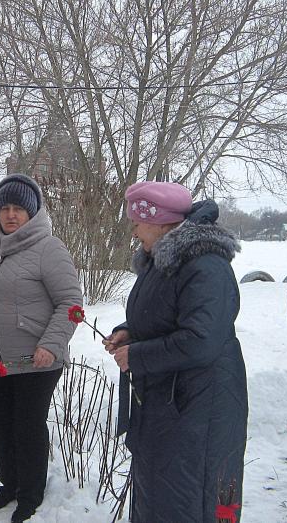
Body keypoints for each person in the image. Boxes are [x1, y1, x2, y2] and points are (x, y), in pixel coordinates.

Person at [104, 182, 247, 523]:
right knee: (160, 489)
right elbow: (162, 314)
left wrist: (138, 356)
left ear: (162, 222)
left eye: (138, 222)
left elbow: (201, 339)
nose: (134, 229)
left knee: (190, 494)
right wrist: (130, 331)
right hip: (168, 401)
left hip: (198, 405)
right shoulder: (163, 260)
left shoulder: (205, 265)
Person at [0, 174, 82, 523]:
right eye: (4, 208)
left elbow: (70, 303)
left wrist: (52, 344)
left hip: (36, 360)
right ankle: (10, 484)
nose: (10, 214)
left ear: (32, 212)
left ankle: (30, 493)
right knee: (0, 425)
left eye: (18, 208)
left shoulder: (49, 248)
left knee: (27, 426)